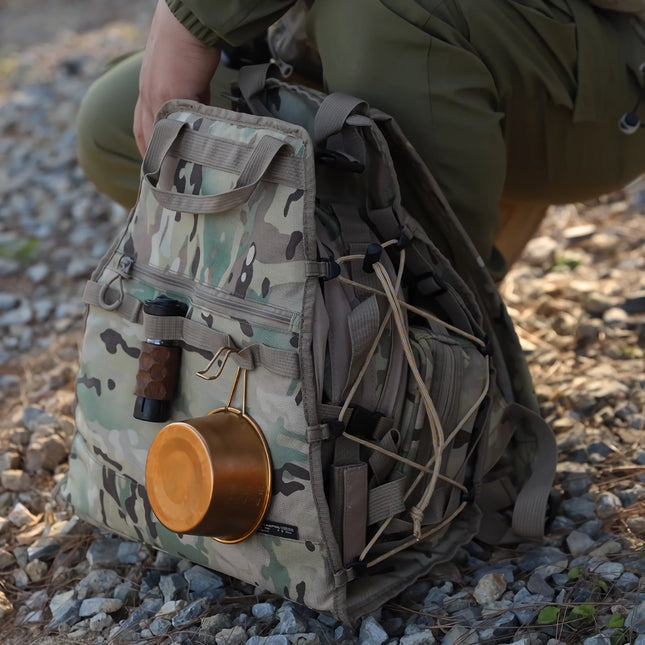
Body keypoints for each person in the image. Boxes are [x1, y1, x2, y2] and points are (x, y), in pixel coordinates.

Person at [76, 0, 645, 279]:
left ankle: (441, 361)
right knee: (120, 127)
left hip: (603, 62)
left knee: (386, 5)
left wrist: (196, 16)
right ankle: (323, 318)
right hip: (343, 35)